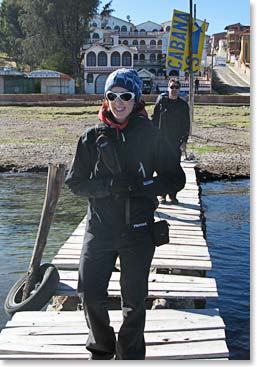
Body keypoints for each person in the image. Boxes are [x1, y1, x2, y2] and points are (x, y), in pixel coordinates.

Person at [65, 68, 185, 360]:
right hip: (100, 228)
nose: (119, 102)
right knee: (89, 294)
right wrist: (107, 186)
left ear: (137, 98)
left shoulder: (152, 135)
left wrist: (142, 185)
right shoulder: (91, 138)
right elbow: (74, 183)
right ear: (105, 99)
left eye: (126, 96)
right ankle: (102, 349)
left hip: (138, 230)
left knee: (134, 301)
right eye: (112, 96)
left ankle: (130, 355)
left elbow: (175, 179)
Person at [151, 78, 190, 205]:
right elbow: (154, 119)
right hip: (160, 143)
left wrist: (184, 141)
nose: (174, 90)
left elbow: (186, 125)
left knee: (174, 169)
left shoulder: (183, 105)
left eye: (176, 87)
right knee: (161, 169)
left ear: (179, 89)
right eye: (172, 87)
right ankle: (162, 194)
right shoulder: (161, 102)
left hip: (175, 143)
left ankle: (172, 195)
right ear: (168, 88)